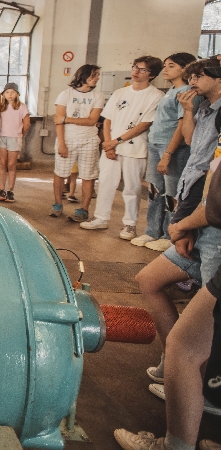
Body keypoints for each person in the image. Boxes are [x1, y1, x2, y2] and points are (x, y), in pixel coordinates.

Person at [114, 160, 221, 450]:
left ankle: (174, 445)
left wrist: (181, 224)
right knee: (150, 281)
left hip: (213, 236)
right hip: (201, 233)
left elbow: (216, 205)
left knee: (184, 347)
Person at [134, 58, 221, 390]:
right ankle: (176, 364)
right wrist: (187, 112)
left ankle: (200, 388)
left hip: (210, 223)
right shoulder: (203, 108)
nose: (192, 81)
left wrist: (186, 223)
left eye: (199, 75)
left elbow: (217, 194)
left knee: (211, 317)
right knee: (150, 280)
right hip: (196, 213)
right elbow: (191, 143)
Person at [80, 57, 164, 238]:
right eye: (135, 67)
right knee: (105, 183)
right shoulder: (120, 93)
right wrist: (109, 144)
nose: (136, 72)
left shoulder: (156, 96)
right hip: (111, 146)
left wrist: (116, 141)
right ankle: (101, 218)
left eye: (142, 70)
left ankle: (129, 224)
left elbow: (144, 125)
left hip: (134, 148)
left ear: (152, 75)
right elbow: (107, 119)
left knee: (132, 188)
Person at [132, 53, 199, 251]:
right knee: (154, 191)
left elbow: (181, 126)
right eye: (165, 65)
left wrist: (168, 154)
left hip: (172, 149)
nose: (165, 69)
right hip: (156, 144)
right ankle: (152, 231)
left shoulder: (187, 92)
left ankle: (169, 234)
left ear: (185, 69)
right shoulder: (171, 90)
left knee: (171, 193)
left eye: (171, 65)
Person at [51, 64, 105, 222]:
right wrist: (61, 143)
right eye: (94, 75)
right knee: (60, 173)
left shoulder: (98, 96)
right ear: (84, 76)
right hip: (67, 139)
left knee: (88, 176)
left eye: (98, 75)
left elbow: (92, 120)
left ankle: (84, 209)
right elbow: (57, 121)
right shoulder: (65, 95)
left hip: (89, 140)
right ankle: (57, 204)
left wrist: (67, 119)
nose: (97, 78)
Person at [0, 82, 30, 203]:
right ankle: (1, 190)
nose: (10, 95)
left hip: (14, 137)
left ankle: (10, 191)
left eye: (13, 92)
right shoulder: (0, 106)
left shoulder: (21, 106)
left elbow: (27, 124)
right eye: (7, 92)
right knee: (2, 163)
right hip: (1, 136)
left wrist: (20, 134)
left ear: (17, 94)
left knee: (11, 164)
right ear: (4, 94)